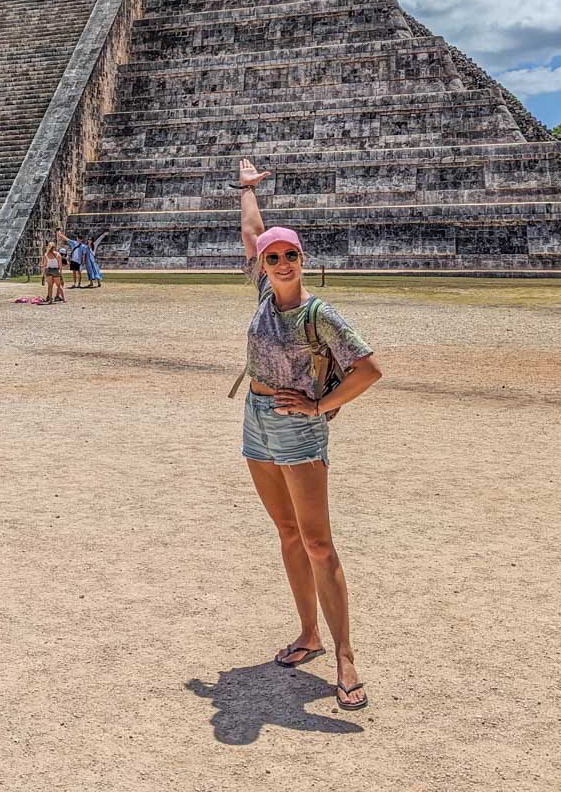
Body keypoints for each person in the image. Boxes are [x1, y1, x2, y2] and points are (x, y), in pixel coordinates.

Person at [236, 158, 382, 712]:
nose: (279, 262)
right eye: (272, 258)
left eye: (289, 255)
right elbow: (254, 231)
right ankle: (309, 634)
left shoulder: (320, 314)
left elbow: (369, 369)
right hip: (256, 420)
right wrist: (248, 190)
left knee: (319, 542)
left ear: (302, 259)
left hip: (299, 431)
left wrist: (321, 405)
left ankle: (345, 656)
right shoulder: (262, 293)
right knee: (287, 533)